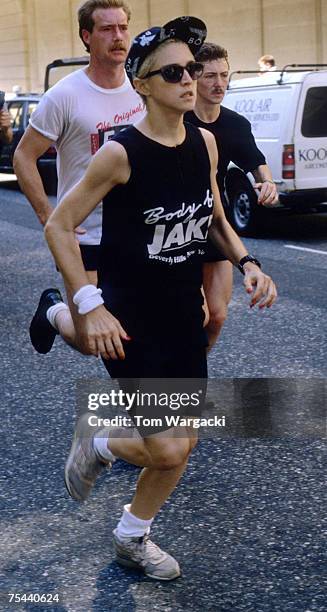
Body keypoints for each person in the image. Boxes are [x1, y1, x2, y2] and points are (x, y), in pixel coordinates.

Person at [44, 16, 277, 580]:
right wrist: (88, 302)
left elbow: (214, 220)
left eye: (192, 69)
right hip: (130, 314)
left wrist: (247, 262)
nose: (189, 80)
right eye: (172, 71)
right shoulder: (120, 154)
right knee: (169, 448)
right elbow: (59, 225)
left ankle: (130, 535)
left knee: (184, 441)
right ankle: (98, 434)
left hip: (180, 314)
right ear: (142, 85)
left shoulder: (206, 142)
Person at [13, 0, 144, 354]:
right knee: (90, 341)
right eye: (106, 29)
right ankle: (54, 310)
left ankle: (150, 400)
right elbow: (23, 157)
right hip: (84, 234)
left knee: (140, 323)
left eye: (122, 28)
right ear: (87, 37)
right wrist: (50, 217)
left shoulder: (143, 88)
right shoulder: (64, 96)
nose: (118, 37)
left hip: (139, 229)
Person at [184, 43, 278, 350]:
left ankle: (193, 372)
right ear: (193, 78)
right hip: (177, 226)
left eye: (224, 75)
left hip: (216, 222)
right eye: (210, 75)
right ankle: (182, 381)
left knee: (217, 316)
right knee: (193, 316)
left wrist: (267, 183)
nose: (219, 83)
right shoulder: (178, 122)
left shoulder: (235, 124)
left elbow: (256, 162)